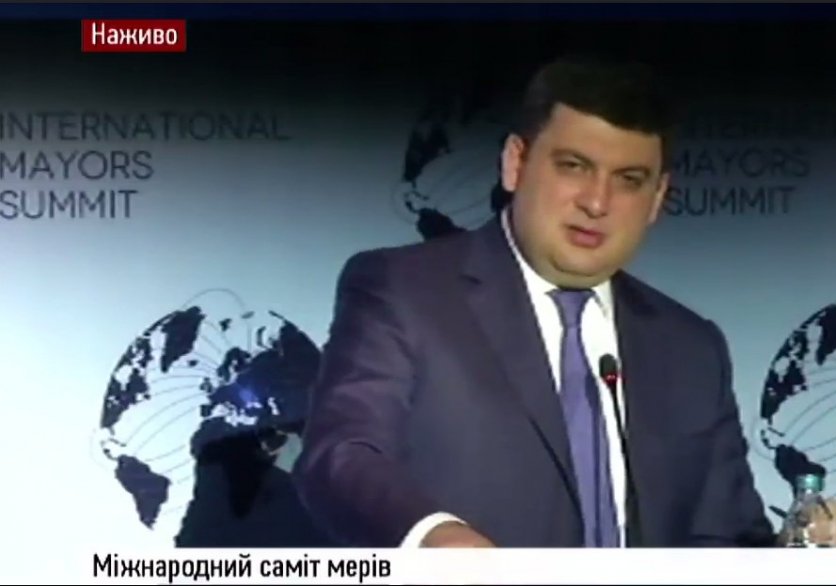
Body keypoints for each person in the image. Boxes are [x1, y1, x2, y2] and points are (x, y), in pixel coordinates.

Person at [294, 54, 775, 548]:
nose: (597, 203)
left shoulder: (691, 347)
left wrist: (804, 548)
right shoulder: (406, 290)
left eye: (629, 180)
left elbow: (729, 541)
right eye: (574, 167)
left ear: (657, 198)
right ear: (515, 164)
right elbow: (343, 456)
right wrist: (434, 537)